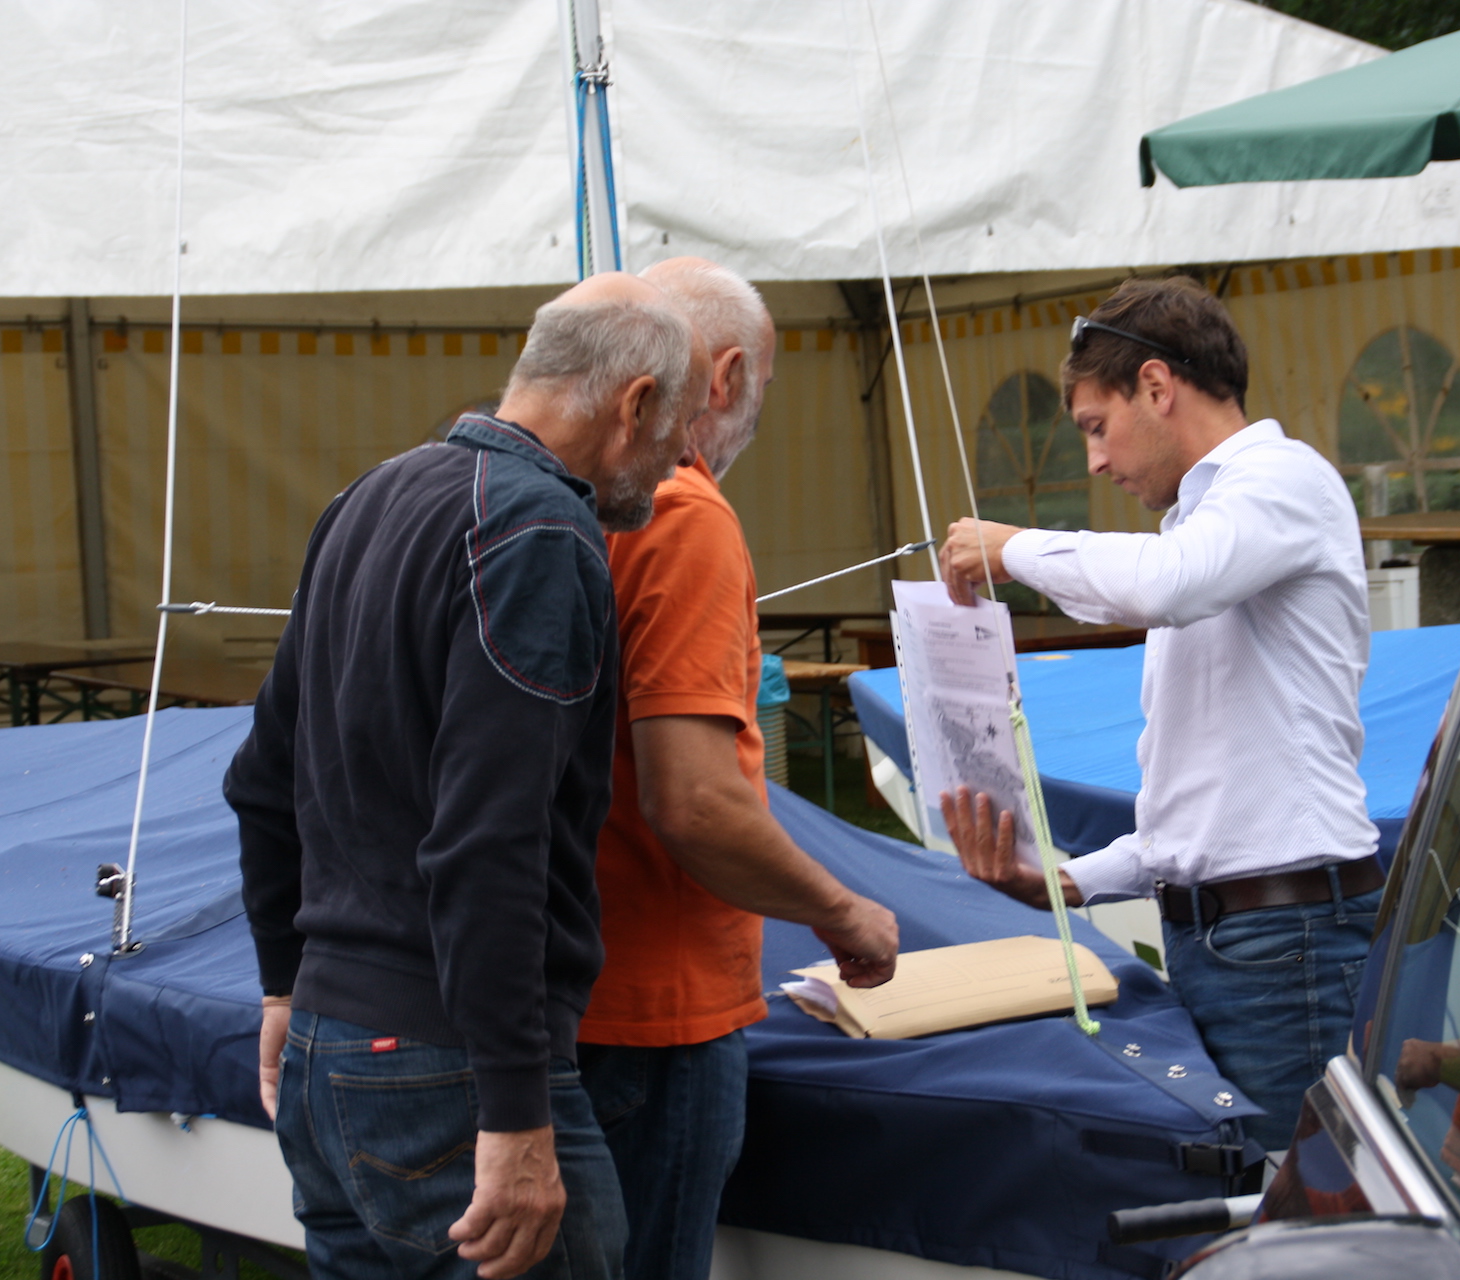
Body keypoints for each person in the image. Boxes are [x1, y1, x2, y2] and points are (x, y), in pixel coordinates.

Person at [225, 272, 709, 1280]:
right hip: (448, 1073)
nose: (678, 463)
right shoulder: (538, 530)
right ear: (635, 404)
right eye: (679, 432)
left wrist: (284, 984)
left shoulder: (365, 499)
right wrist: (517, 1109)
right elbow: (489, 842)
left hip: (327, 1050)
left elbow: (262, 780)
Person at [935, 276, 1382, 1151]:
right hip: (1248, 942)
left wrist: (1014, 548)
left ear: (1154, 385)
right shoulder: (1204, 529)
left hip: (1284, 941)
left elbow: (1166, 585)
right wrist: (1066, 883)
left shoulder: (1282, 480)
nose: (1095, 463)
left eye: (1095, 426)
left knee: (1291, 1213)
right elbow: (1196, 814)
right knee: (1258, 1203)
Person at [575, 257, 899, 1280]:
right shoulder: (681, 512)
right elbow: (697, 802)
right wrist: (843, 911)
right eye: (761, 384)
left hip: (554, 986)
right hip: (652, 1011)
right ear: (721, 378)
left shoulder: (554, 495)